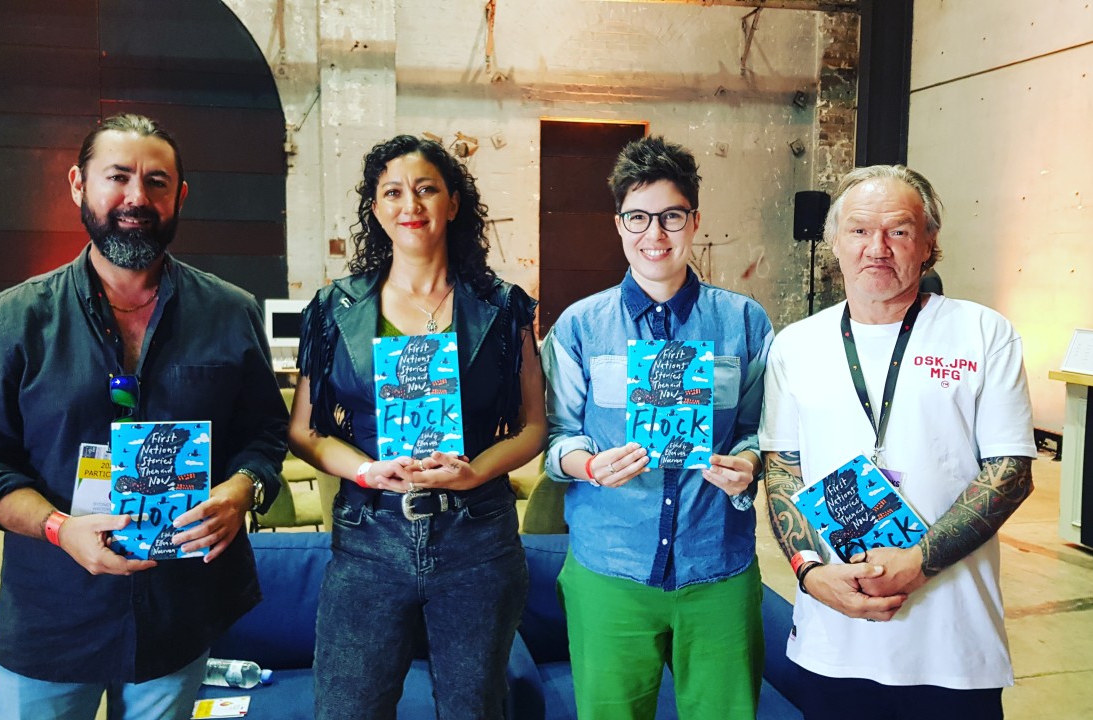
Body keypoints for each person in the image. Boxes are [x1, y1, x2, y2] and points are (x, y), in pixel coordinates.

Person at [0, 114, 288, 720]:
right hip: (52, 616)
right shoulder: (11, 321)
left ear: (179, 196)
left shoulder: (228, 313)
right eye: (118, 177)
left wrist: (241, 492)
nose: (136, 198)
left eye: (156, 182)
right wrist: (57, 527)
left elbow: (263, 433)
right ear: (79, 184)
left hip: (178, 614)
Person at [759, 165, 1035, 719]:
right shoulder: (796, 345)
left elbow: (1011, 470)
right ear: (835, 241)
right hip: (833, 639)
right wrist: (811, 575)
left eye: (899, 231)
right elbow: (782, 467)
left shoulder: (983, 332)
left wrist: (919, 562)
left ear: (930, 243)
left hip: (953, 645)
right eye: (859, 230)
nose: (876, 248)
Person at [289, 134, 545, 719]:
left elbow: (534, 427)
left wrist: (475, 471)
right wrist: (365, 470)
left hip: (477, 540)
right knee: (346, 709)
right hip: (369, 539)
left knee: (474, 710)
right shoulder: (335, 309)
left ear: (453, 203)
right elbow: (303, 430)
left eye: (427, 189)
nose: (412, 204)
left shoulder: (503, 308)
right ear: (375, 208)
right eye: (394, 192)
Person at [542, 136, 774, 719]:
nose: (656, 236)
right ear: (618, 224)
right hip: (610, 566)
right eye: (638, 218)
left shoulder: (744, 321)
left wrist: (748, 462)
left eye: (671, 216)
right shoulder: (580, 327)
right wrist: (588, 466)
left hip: (717, 567)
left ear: (694, 221)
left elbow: (758, 429)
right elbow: (555, 437)